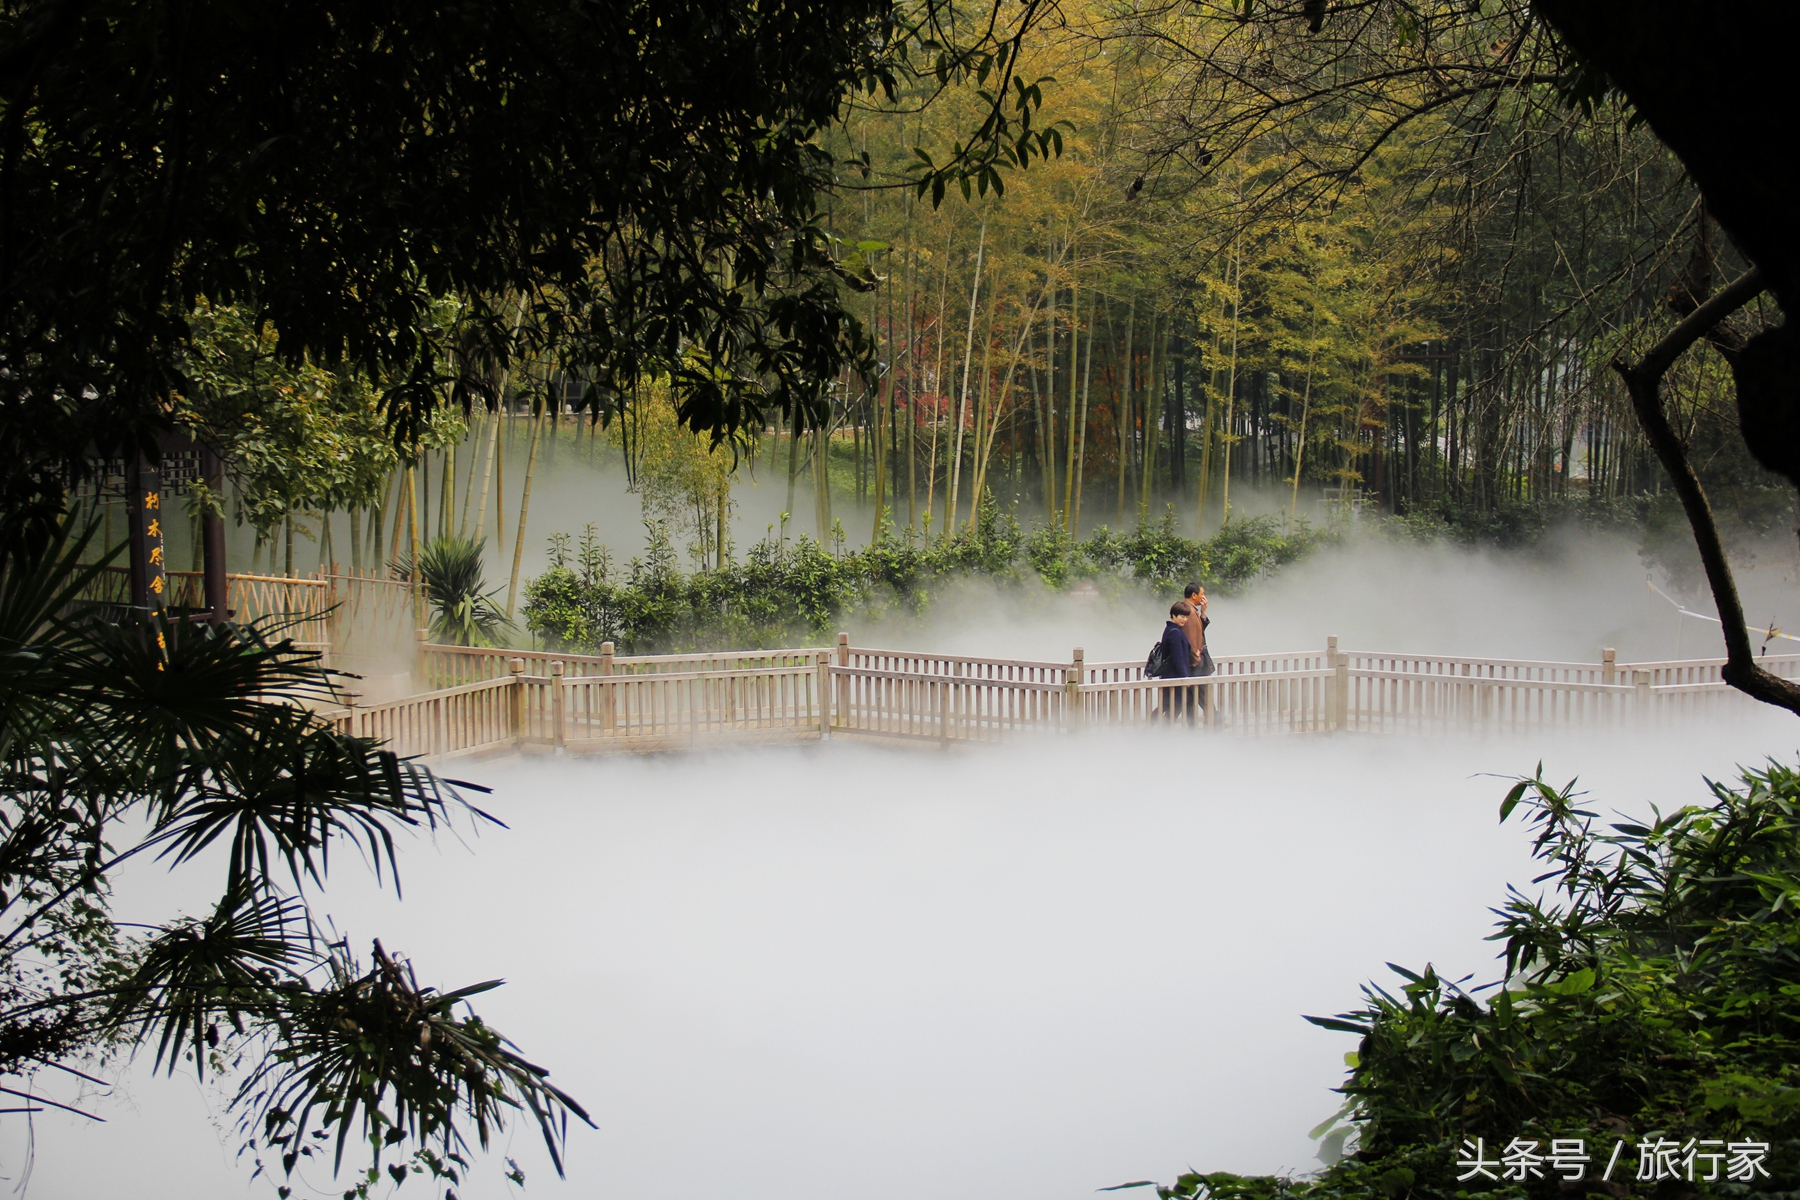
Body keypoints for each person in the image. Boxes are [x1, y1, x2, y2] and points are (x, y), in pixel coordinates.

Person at [1157, 600, 1195, 722]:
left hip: (1171, 675)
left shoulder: (1171, 629)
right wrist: (1184, 677)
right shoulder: (1175, 633)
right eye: (1182, 616)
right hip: (1175, 676)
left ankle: (1148, 729)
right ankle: (1162, 731)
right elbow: (1178, 657)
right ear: (1174, 615)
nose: (1184, 619)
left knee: (1169, 705)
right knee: (1174, 705)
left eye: (1186, 617)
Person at [1182, 581, 1214, 713]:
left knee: (1193, 696)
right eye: (1202, 594)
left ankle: (1195, 726)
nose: (1203, 597)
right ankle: (1216, 720)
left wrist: (1203, 613)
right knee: (1199, 694)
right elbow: (1191, 637)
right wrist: (1196, 658)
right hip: (1195, 662)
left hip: (1195, 660)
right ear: (1194, 595)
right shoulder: (1187, 611)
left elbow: (1198, 630)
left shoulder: (1192, 610)